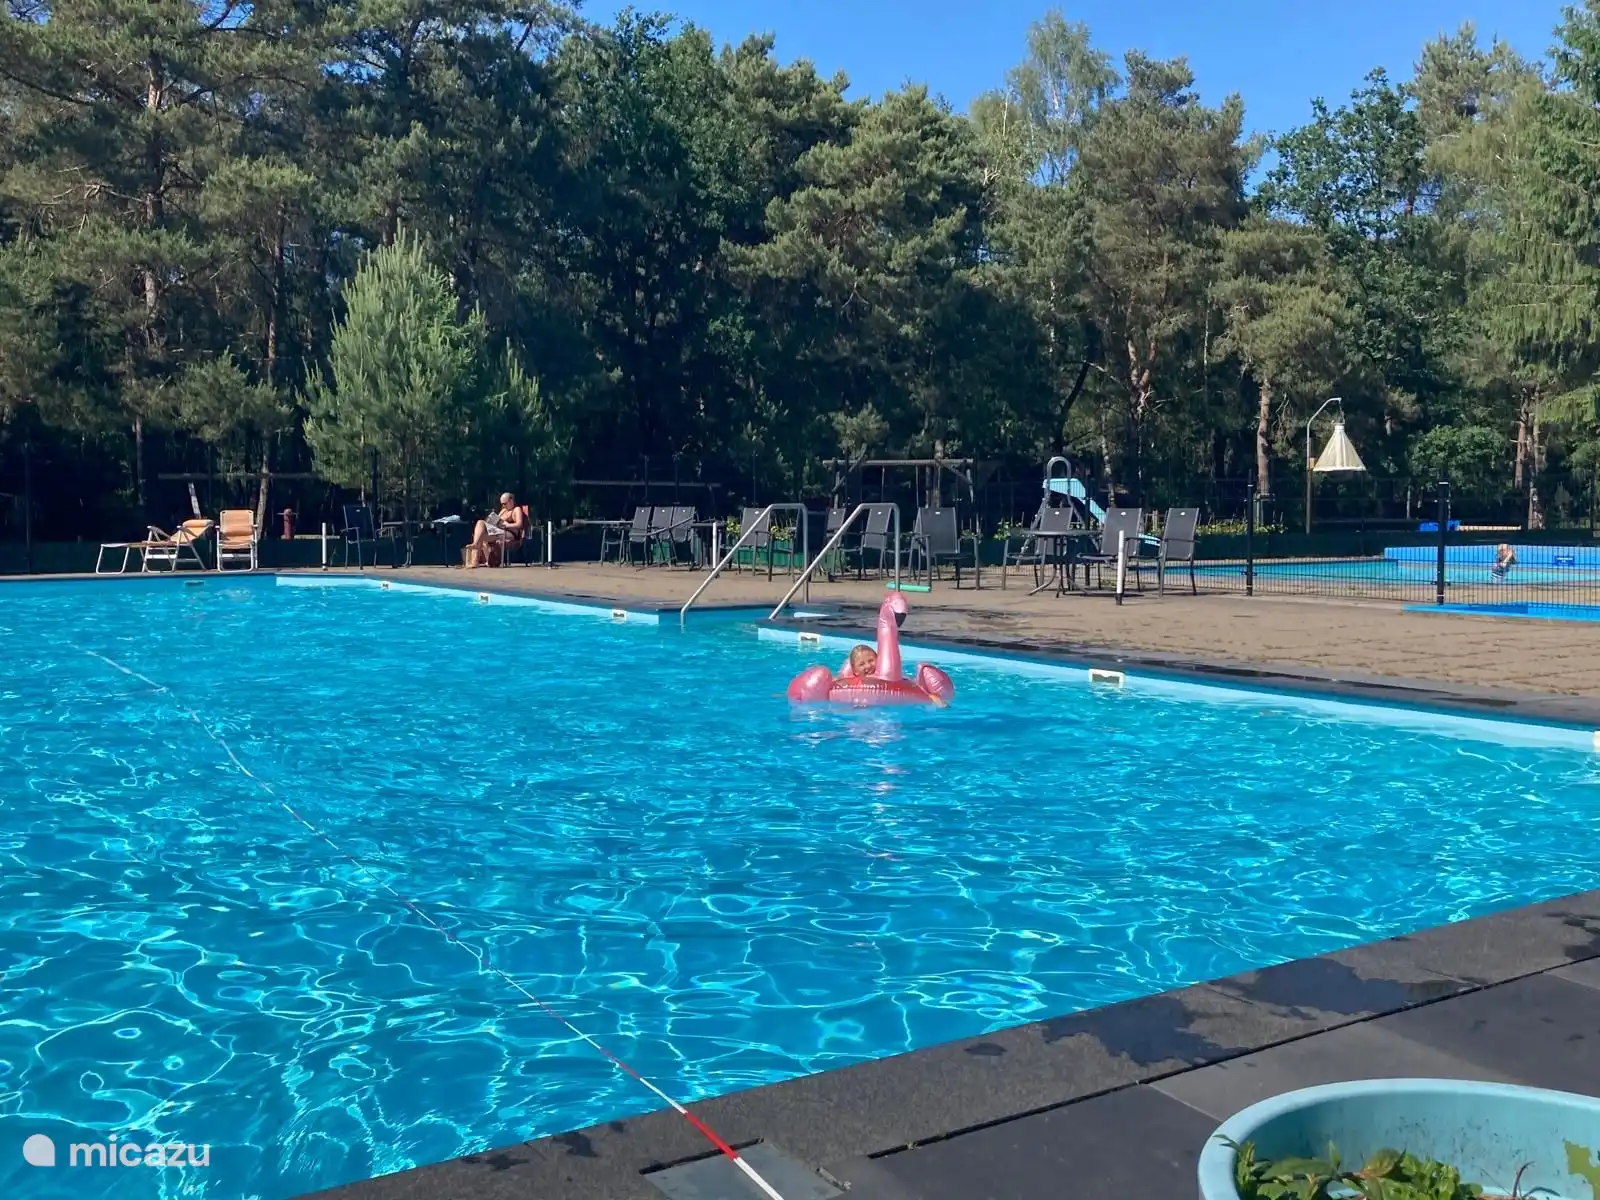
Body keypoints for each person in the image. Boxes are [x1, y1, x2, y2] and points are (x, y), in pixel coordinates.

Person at [466, 493, 526, 567]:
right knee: (480, 524)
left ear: (511, 501)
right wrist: (491, 520)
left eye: (505, 503)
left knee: (480, 532)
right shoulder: (503, 510)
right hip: (498, 532)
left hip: (510, 534)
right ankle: (475, 560)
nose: (503, 506)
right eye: (502, 504)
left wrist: (507, 525)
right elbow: (495, 521)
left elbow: (519, 524)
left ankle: (475, 550)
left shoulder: (517, 509)